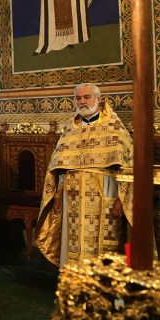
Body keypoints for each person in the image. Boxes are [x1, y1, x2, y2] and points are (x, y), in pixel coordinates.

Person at [35, 83, 133, 267]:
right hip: (72, 197)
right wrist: (57, 196)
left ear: (99, 99)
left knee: (105, 242)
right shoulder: (70, 129)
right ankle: (74, 285)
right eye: (78, 98)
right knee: (74, 240)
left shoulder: (115, 127)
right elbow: (61, 169)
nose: (82, 102)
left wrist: (122, 198)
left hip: (104, 193)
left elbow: (127, 167)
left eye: (87, 97)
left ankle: (101, 289)